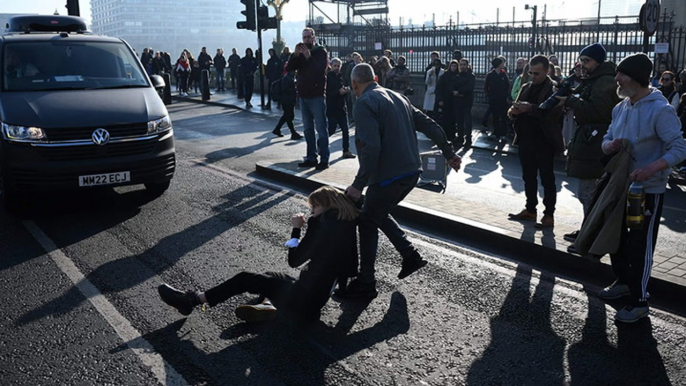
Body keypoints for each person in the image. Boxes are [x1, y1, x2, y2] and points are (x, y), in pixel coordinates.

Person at [337, 63, 462, 299]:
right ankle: (410, 256)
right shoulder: (398, 97)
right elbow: (429, 124)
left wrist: (358, 184)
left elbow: (371, 148)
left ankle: (366, 282)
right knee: (376, 212)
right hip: (412, 171)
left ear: (354, 84)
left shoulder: (364, 103)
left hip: (388, 175)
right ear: (375, 77)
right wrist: (449, 153)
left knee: (367, 221)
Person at [158, 186, 360, 324]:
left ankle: (192, 301)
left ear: (325, 204)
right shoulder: (347, 222)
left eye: (314, 207)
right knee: (269, 275)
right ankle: (269, 307)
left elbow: (294, 261)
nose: (311, 212)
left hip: (303, 300)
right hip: (314, 300)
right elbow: (349, 269)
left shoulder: (321, 224)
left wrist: (296, 230)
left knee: (245, 278)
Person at [593, 53, 686, 323]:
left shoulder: (661, 109)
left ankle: (639, 300)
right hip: (620, 185)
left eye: (621, 74)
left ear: (635, 78)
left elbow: (680, 148)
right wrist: (608, 145)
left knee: (640, 246)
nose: (617, 79)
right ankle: (623, 281)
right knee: (617, 238)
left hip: (648, 190)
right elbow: (608, 137)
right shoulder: (620, 107)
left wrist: (651, 168)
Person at [556, 43, 621, 243]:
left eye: (587, 61)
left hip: (594, 142)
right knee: (587, 193)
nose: (582, 64)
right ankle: (587, 230)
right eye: (581, 60)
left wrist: (570, 100)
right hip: (589, 140)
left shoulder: (604, 81)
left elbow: (596, 111)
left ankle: (589, 236)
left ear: (598, 61)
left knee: (589, 194)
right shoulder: (594, 79)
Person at [507, 55, 565, 228]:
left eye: (537, 73)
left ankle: (549, 214)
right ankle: (530, 209)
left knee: (547, 178)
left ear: (547, 71)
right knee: (528, 176)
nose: (533, 77)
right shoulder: (525, 86)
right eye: (531, 73)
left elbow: (552, 114)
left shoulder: (554, 89)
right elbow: (512, 108)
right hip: (525, 138)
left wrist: (529, 108)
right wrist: (513, 112)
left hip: (545, 140)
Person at [287, 28, 330, 170]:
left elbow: (319, 71)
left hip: (316, 95)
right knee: (308, 129)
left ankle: (324, 159)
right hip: (304, 95)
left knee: (321, 129)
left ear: (313, 37)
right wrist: (295, 55)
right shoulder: (301, 53)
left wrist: (308, 57)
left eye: (308, 37)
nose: (305, 40)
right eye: (303, 37)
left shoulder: (321, 52)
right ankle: (311, 157)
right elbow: (290, 68)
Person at [326, 58, 356, 159]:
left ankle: (346, 150)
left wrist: (345, 90)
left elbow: (342, 88)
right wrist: (339, 92)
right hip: (333, 108)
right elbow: (328, 93)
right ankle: (320, 145)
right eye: (335, 66)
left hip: (342, 107)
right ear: (331, 66)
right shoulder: (328, 77)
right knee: (331, 129)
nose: (337, 68)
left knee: (345, 130)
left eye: (338, 66)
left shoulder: (340, 76)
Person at [272, 65, 303, 140]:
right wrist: (295, 89)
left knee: (287, 116)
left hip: (288, 100)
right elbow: (285, 89)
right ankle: (293, 132)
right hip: (287, 100)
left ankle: (277, 129)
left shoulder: (289, 77)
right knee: (289, 116)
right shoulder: (287, 78)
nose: (295, 72)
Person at [484, 56, 510, 142]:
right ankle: (496, 133)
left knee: (503, 117)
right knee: (495, 117)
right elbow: (486, 87)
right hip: (494, 99)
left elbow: (507, 86)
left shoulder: (503, 74)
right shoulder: (490, 75)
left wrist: (505, 94)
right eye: (502, 63)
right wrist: (489, 95)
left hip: (502, 99)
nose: (504, 64)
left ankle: (503, 134)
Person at [452, 58, 476, 149]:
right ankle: (460, 137)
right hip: (458, 100)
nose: (462, 66)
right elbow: (452, 86)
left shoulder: (471, 76)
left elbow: (469, 87)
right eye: (461, 64)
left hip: (467, 100)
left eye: (464, 64)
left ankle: (468, 138)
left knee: (467, 120)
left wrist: (459, 91)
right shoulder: (456, 75)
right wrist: (457, 92)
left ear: (467, 65)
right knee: (459, 120)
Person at [435, 60, 460, 143]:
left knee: (453, 119)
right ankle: (446, 135)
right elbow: (438, 88)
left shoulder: (458, 76)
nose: (453, 68)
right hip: (446, 99)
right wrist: (440, 99)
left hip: (455, 100)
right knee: (446, 118)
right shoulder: (445, 76)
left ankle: (452, 135)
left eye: (455, 66)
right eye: (452, 66)